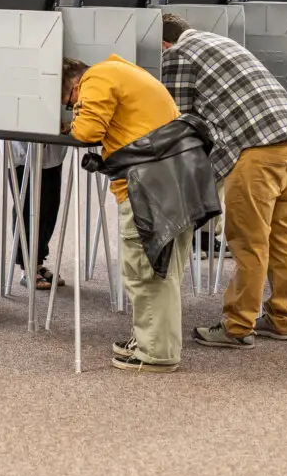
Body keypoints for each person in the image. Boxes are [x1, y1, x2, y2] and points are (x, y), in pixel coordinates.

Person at [160, 15, 287, 348]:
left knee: (248, 241)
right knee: (282, 237)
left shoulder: (178, 55)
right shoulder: (220, 41)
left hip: (256, 148)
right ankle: (282, 318)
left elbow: (178, 117)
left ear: (163, 44)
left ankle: (237, 325)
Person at [63, 55, 210, 373]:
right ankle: (152, 339)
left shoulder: (97, 78)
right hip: (175, 177)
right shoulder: (125, 71)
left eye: (69, 101)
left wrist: (73, 122)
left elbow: (86, 131)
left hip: (149, 186)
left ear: (74, 85)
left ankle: (156, 353)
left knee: (145, 271)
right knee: (164, 269)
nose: (72, 106)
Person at [8, 142, 67, 290]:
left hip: (52, 150)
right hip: (23, 150)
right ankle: (27, 267)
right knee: (28, 208)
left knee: (49, 207)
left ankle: (38, 262)